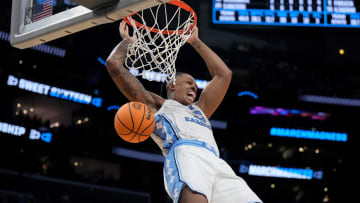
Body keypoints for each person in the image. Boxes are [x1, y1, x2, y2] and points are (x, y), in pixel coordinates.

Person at [106, 21, 262, 203]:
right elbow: (114, 65)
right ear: (172, 84)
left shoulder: (200, 109)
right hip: (186, 154)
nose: (194, 88)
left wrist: (195, 41)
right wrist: (127, 42)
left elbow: (224, 74)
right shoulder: (155, 105)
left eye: (195, 86)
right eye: (189, 82)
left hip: (216, 161)